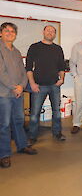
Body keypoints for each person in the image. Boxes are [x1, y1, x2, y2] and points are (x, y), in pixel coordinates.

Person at [0, 22, 37, 168]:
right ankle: (4, 154)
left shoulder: (16, 51)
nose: (10, 33)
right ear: (1, 33)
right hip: (4, 93)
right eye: (6, 31)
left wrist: (21, 86)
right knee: (4, 125)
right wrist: (14, 87)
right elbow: (1, 73)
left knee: (18, 121)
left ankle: (22, 146)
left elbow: (23, 72)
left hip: (18, 93)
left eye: (12, 31)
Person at [26, 25, 66, 144]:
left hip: (54, 85)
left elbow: (61, 67)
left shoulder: (58, 48)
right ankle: (32, 136)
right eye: (48, 30)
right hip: (39, 86)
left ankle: (57, 133)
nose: (50, 33)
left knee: (57, 112)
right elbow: (28, 68)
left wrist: (62, 79)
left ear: (55, 34)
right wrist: (32, 83)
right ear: (43, 32)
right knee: (34, 113)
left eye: (53, 31)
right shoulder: (34, 47)